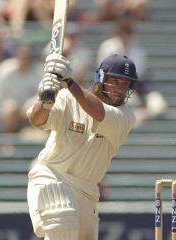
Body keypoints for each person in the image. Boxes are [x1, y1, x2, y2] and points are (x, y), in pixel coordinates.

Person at [26, 53, 137, 239]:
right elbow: (35, 120)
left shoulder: (125, 117)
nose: (120, 89)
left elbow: (97, 112)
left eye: (126, 84)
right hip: (52, 176)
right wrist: (44, 101)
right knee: (62, 221)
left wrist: (69, 81)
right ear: (101, 78)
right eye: (115, 81)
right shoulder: (67, 98)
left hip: (86, 191)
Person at [0, 42, 42, 132]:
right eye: (21, 55)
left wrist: (27, 107)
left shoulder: (39, 72)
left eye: (26, 56)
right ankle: (8, 143)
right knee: (11, 108)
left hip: (31, 111)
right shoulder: (4, 70)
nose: (23, 58)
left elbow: (41, 96)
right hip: (8, 110)